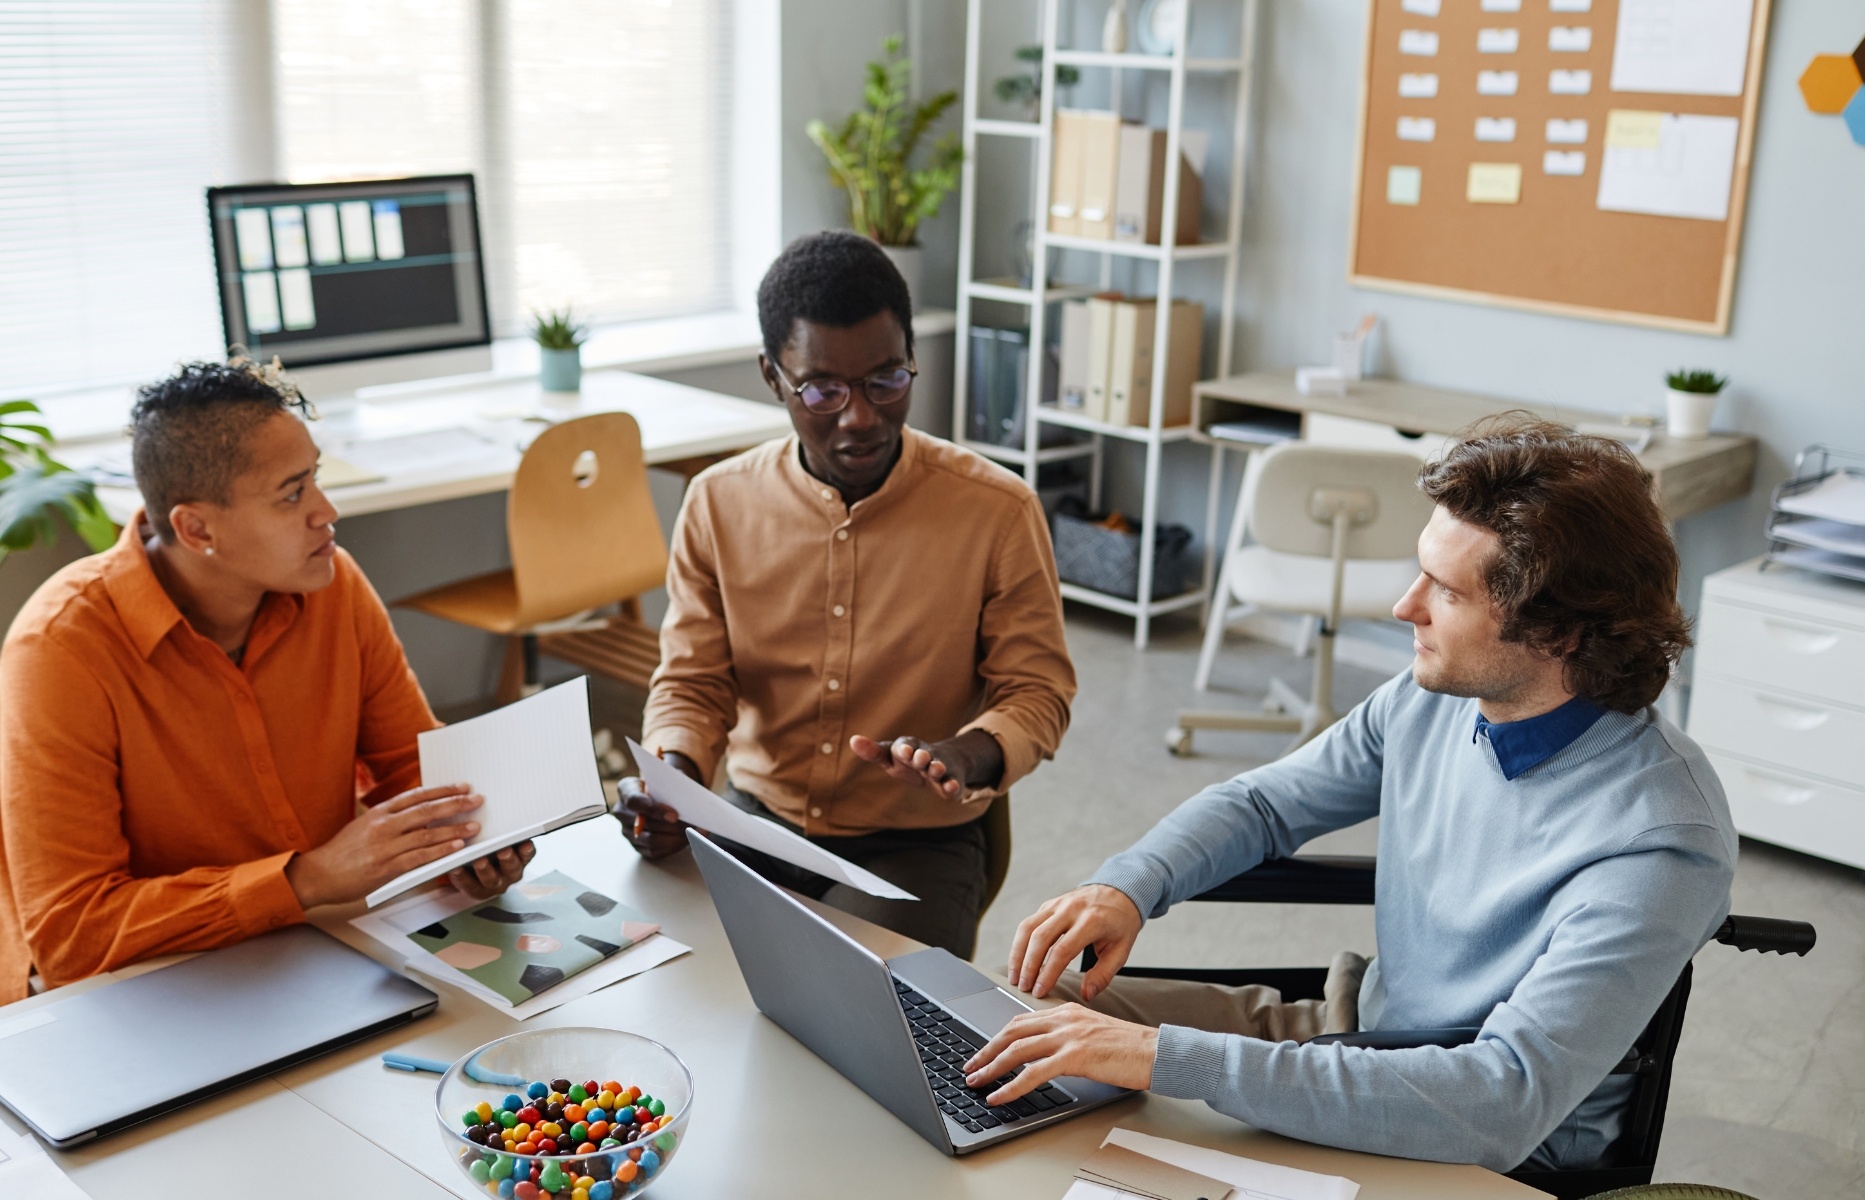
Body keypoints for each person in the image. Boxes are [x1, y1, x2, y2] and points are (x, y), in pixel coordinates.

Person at [964, 418, 1737, 1172]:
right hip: (1351, 1030)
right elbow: (1267, 804)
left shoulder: (1661, 840)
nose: (1404, 607)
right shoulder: (1435, 697)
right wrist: (1129, 885)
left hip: (1472, 1142)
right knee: (1033, 1014)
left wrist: (1168, 1060)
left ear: (1562, 634)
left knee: (1114, 1100)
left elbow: (1501, 1100)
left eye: (1447, 591)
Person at [0, 358, 534, 1003]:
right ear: (197, 529)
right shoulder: (60, 649)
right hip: (152, 990)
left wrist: (469, 847)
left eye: (316, 479)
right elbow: (73, 938)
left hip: (320, 953)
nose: (327, 512)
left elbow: (411, 768)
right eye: (292, 493)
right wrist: (304, 879)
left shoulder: (334, 585)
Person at [616, 230, 1075, 958]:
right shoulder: (718, 503)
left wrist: (970, 754)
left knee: (861, 1016)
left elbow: (1037, 691)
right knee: (647, 969)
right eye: (823, 389)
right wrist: (674, 786)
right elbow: (694, 682)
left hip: (917, 846)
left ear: (912, 360)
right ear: (773, 376)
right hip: (756, 823)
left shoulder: (997, 511)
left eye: (886, 380)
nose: (860, 416)